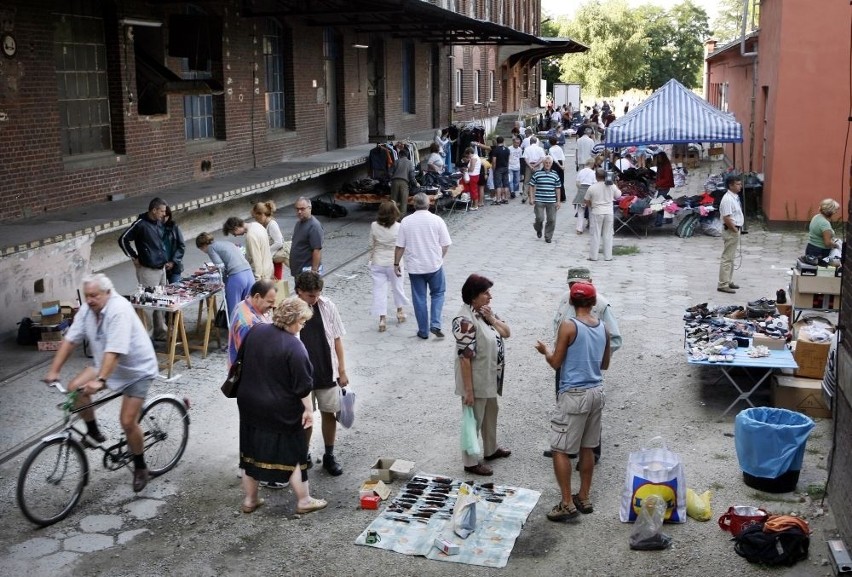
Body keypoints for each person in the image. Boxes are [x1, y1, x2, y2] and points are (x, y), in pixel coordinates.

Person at [44, 273, 159, 493]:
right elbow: (70, 340)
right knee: (74, 389)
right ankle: (94, 433)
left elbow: (114, 351)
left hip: (137, 371)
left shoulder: (119, 310)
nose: (89, 300)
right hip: (105, 365)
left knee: (127, 422)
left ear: (108, 292)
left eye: (94, 295)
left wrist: (101, 381)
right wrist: (54, 370)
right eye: (87, 295)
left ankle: (140, 467)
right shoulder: (88, 310)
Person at [237, 296, 327, 515]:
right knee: (294, 452)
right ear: (294, 320)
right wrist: (308, 410)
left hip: (249, 404)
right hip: (281, 410)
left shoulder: (256, 331)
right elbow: (303, 386)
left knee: (250, 452)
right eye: (302, 321)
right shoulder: (295, 347)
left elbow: (241, 361)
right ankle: (304, 500)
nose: (303, 326)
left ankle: (250, 500)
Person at [535, 282, 611, 522]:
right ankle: (584, 496)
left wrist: (545, 350)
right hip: (596, 391)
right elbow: (605, 364)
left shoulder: (569, 326)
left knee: (560, 449)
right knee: (587, 447)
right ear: (593, 302)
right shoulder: (603, 328)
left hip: (574, 394)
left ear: (570, 302)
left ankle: (567, 503)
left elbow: (556, 362)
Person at [542, 267, 623, 461]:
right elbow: (557, 326)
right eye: (571, 284)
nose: (575, 288)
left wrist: (591, 355)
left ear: (591, 282)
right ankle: (569, 446)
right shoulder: (565, 299)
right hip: (565, 366)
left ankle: (589, 452)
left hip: (585, 370)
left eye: (580, 284)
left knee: (588, 414)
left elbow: (615, 339)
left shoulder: (601, 305)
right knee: (566, 409)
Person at [453, 274, 511, 476]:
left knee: (491, 413)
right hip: (475, 381)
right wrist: (468, 391)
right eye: (485, 293)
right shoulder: (464, 320)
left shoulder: (484, 314)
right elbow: (465, 358)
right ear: (474, 296)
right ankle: (470, 462)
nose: (490, 296)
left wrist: (492, 318)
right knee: (474, 419)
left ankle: (491, 449)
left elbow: (506, 332)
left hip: (489, 378)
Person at [294, 272, 348, 476]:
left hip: (327, 369)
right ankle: (303, 455)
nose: (314, 299)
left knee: (329, 413)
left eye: (317, 294)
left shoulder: (327, 306)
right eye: (310, 295)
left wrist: (342, 370)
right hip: (302, 375)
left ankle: (329, 455)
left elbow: (337, 340)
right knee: (304, 418)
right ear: (299, 291)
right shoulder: (290, 309)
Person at [394, 193, 452, 339]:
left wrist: (396, 263)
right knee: (438, 294)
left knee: (419, 298)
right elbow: (445, 244)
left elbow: (400, 246)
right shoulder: (437, 220)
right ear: (429, 203)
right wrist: (439, 257)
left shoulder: (406, 222)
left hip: (415, 267)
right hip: (434, 265)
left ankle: (423, 331)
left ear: (414, 204)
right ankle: (435, 323)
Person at [118, 197, 169, 340]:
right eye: (162, 211)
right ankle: (145, 336)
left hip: (161, 267)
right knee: (148, 301)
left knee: (161, 299)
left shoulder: (158, 223)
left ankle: (160, 330)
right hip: (148, 269)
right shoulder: (140, 224)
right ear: (154, 210)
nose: (164, 214)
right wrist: (134, 256)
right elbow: (123, 239)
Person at [370, 200, 410, 332]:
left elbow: (372, 244)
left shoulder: (374, 225)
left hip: (378, 262)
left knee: (379, 291)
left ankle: (382, 319)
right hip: (395, 262)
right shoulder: (399, 227)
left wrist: (371, 259)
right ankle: (399, 312)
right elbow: (403, 245)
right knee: (397, 287)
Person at [195, 232, 254, 320]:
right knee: (247, 308)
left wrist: (223, 281)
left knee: (234, 310)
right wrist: (214, 269)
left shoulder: (211, 248)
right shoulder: (225, 243)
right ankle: (248, 331)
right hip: (249, 274)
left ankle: (235, 332)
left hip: (237, 277)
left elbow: (220, 266)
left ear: (202, 246)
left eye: (201, 249)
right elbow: (229, 260)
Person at [228, 279, 277, 366]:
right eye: (269, 302)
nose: (273, 306)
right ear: (257, 297)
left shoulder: (244, 303)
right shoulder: (248, 324)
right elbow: (250, 357)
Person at [584, 168, 622, 261]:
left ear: (596, 177)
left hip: (597, 211)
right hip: (608, 211)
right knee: (608, 234)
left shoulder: (592, 187)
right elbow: (618, 195)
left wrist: (592, 205)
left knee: (595, 234)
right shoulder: (611, 186)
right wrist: (615, 183)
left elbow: (586, 200)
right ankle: (608, 256)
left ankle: (593, 256)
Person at [223, 216, 274, 281]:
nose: (235, 236)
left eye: (233, 233)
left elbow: (256, 259)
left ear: (236, 228)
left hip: (262, 274)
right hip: (269, 267)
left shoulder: (250, 236)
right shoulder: (257, 225)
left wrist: (257, 279)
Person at [717, 174, 744, 294]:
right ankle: (723, 283)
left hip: (735, 229)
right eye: (737, 184)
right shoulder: (727, 199)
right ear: (730, 185)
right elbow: (727, 217)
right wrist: (734, 229)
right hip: (731, 230)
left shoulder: (735, 197)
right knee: (727, 258)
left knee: (732, 257)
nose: (740, 186)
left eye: (740, 184)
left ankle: (728, 280)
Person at [528, 156, 562, 244]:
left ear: (551, 164)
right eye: (546, 163)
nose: (547, 164)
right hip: (539, 200)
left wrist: (558, 201)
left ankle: (548, 236)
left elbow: (558, 188)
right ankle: (538, 228)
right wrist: (531, 198)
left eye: (549, 163)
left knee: (551, 220)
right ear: (543, 163)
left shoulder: (555, 174)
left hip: (551, 200)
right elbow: (531, 185)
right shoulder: (537, 173)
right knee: (540, 218)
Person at [251, 201, 287, 280]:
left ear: (262, 214)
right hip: (270, 258)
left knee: (276, 282)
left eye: (256, 217)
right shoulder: (264, 224)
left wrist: (266, 252)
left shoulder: (272, 224)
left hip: (275, 258)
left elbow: (279, 242)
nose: (256, 220)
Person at [289, 197, 324, 278]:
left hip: (307, 271)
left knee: (307, 290)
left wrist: (314, 271)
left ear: (310, 208)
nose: (299, 212)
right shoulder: (299, 223)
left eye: (302, 209)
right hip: (299, 270)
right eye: (297, 209)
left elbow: (317, 250)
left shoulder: (314, 226)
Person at [162, 206, 185, 284]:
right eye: (163, 216)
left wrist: (173, 262)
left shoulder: (174, 227)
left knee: (176, 288)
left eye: (167, 216)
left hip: (174, 266)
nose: (164, 219)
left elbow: (181, 246)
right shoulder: (154, 229)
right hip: (160, 267)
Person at [389, 148, 416, 215]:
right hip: (404, 183)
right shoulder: (410, 163)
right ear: (407, 155)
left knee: (393, 201)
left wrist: (392, 179)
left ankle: (392, 217)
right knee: (403, 202)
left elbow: (389, 173)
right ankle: (401, 218)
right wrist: (415, 184)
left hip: (394, 182)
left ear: (399, 155)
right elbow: (412, 177)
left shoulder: (396, 161)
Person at [574, 158, 596, 235]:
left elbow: (577, 183)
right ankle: (592, 228)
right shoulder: (593, 173)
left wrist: (580, 189)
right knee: (591, 211)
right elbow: (594, 184)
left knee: (580, 211)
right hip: (590, 191)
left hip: (581, 191)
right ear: (592, 164)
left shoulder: (580, 172)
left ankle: (579, 229)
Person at [521, 137, 546, 204]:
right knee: (536, 182)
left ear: (530, 142)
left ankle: (524, 196)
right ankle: (534, 197)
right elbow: (542, 158)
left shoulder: (527, 149)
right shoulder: (540, 149)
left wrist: (530, 165)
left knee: (526, 182)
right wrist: (535, 165)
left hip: (529, 166)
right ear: (536, 142)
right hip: (537, 166)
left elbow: (525, 159)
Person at [489, 136, 511, 205]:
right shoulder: (507, 149)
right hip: (505, 167)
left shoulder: (496, 150)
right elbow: (508, 160)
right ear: (503, 141)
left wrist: (493, 169)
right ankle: (505, 198)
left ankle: (498, 200)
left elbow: (494, 161)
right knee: (506, 184)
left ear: (497, 141)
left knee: (498, 185)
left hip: (498, 168)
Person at [547, 136, 566, 201]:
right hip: (560, 162)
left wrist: (559, 165)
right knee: (561, 180)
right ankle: (562, 197)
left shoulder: (551, 149)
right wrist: (562, 165)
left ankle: (555, 196)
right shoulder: (559, 148)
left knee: (554, 180)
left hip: (555, 164)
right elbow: (562, 156)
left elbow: (554, 158)